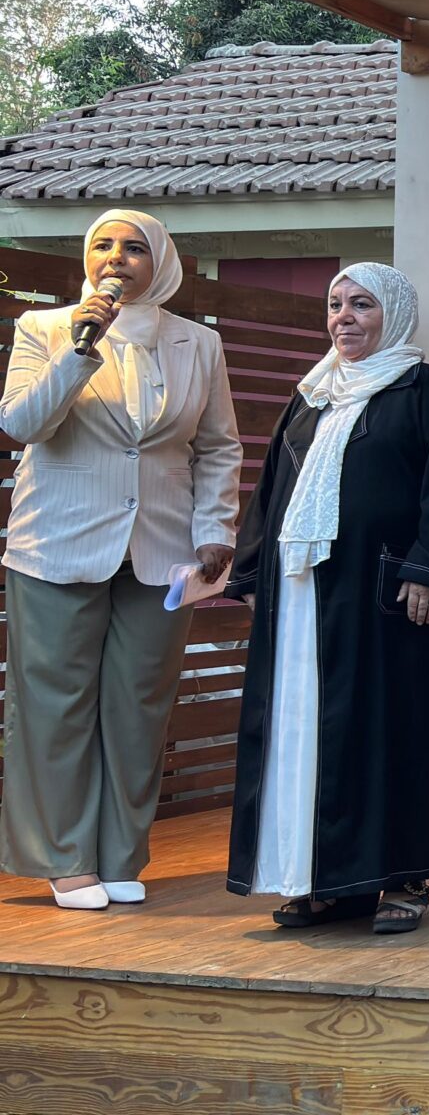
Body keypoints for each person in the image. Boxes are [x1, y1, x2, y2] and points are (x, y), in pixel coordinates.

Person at [223, 263, 429, 935]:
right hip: (302, 598)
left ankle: (403, 875)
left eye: (362, 304)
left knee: (393, 729)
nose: (344, 317)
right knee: (303, 731)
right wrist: (252, 574)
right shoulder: (310, 396)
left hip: (387, 596)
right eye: (335, 304)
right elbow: (271, 493)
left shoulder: (428, 390)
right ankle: (316, 877)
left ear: (393, 313)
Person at [1, 209, 243, 910]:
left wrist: (215, 528)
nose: (117, 257)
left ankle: (119, 855)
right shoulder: (46, 329)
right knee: (55, 705)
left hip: (164, 550)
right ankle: (64, 856)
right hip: (57, 543)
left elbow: (218, 446)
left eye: (135, 248)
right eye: (103, 245)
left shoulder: (198, 342)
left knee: (139, 705)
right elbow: (22, 424)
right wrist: (83, 348)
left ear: (160, 263)